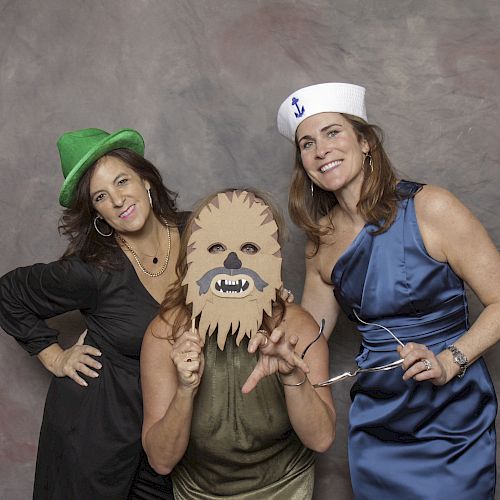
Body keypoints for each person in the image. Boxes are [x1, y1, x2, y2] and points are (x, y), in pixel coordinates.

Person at [276, 83, 499, 499]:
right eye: (307, 143)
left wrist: (452, 360)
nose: (321, 149)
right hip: (377, 421)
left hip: (451, 418)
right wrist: (278, 319)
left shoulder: (432, 207)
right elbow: (310, 337)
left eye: (332, 133)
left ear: (364, 142)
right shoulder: (320, 241)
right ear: (303, 163)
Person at [0, 128, 189, 499]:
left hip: (171, 425)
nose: (118, 201)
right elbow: (8, 292)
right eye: (101, 196)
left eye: (123, 181)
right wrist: (54, 356)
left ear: (146, 180)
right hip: (97, 430)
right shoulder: (91, 269)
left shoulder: (198, 233)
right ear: (96, 211)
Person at [141, 189, 335, 500]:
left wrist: (292, 376)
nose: (232, 262)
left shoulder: (296, 327)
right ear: (192, 257)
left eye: (249, 247)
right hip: (200, 493)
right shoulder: (165, 334)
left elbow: (322, 439)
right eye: (216, 247)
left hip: (285, 489)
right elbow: (161, 461)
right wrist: (184, 389)